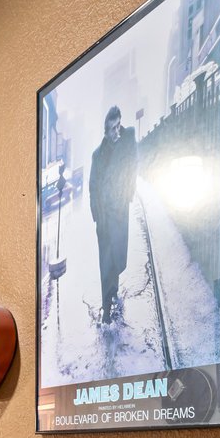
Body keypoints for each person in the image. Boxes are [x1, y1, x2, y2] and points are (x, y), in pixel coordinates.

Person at [89, 105, 137, 324]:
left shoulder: (128, 139)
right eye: (112, 129)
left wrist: (128, 194)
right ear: (105, 132)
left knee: (118, 259)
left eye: (118, 126)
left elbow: (133, 166)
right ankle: (106, 308)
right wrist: (97, 216)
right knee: (105, 263)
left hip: (120, 212)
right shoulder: (97, 155)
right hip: (105, 218)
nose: (117, 131)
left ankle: (114, 290)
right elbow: (93, 187)